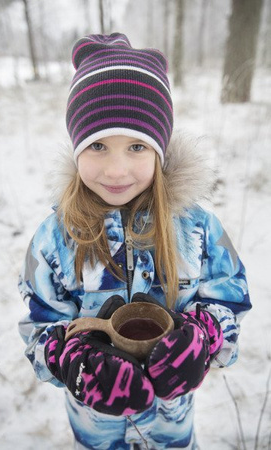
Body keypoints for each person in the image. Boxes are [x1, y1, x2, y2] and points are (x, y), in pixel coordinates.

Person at [18, 33, 251, 450]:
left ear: (160, 151)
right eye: (99, 145)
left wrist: (203, 336)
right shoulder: (54, 238)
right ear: (76, 150)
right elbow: (40, 328)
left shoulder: (197, 229)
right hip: (94, 428)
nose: (116, 169)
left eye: (137, 146)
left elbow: (229, 299)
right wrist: (71, 362)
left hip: (172, 426)